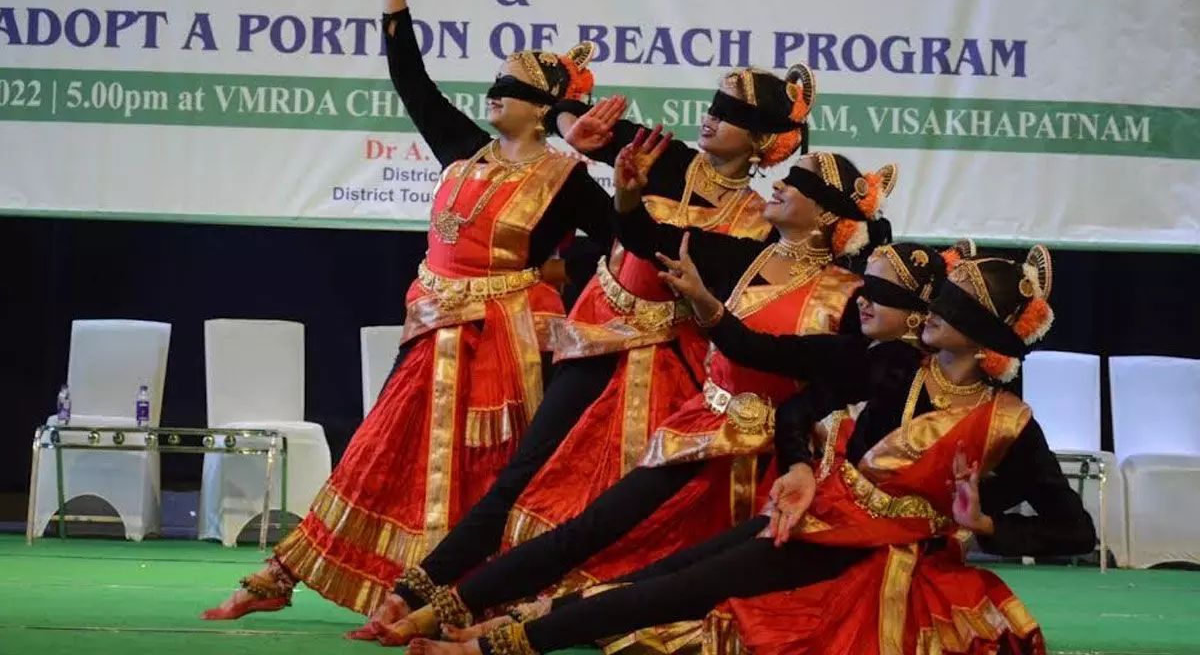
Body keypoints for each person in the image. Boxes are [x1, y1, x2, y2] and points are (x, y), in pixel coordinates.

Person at [200, 0, 614, 621]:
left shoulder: (566, 179)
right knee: (380, 448)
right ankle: (285, 574)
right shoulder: (462, 149)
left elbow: (621, 238)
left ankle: (454, 598)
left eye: (508, 90)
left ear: (541, 108)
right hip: (432, 330)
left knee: (488, 467)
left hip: (502, 345)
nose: (493, 97)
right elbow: (410, 78)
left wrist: (551, 272)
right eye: (493, 86)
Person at [357, 35, 820, 639]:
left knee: (612, 507)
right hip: (594, 338)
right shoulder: (664, 154)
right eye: (712, 105)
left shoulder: (757, 220)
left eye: (730, 114)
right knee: (528, 471)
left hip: (668, 360)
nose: (711, 117)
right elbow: (578, 123)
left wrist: (626, 200)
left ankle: (562, 611)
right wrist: (578, 132)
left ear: (760, 140)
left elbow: (666, 256)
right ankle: (418, 591)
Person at [413, 247, 1095, 655]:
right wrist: (799, 466)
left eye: (954, 311)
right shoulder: (894, 366)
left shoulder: (1007, 423)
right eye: (938, 302)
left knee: (678, 591)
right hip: (819, 514)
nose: (933, 313)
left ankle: (487, 644)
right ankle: (505, 621)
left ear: (985, 344)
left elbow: (1074, 528)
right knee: (662, 575)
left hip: (867, 557)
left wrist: (984, 527)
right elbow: (799, 407)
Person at [377, 146, 897, 646]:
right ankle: (441, 611)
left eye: (799, 183)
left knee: (682, 581)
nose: (780, 184)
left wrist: (704, 304)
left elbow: (786, 365)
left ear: (826, 214)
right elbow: (650, 238)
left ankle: (513, 632)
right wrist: (626, 199)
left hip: (779, 461)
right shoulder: (743, 257)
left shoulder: (848, 298)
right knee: (591, 529)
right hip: (704, 428)